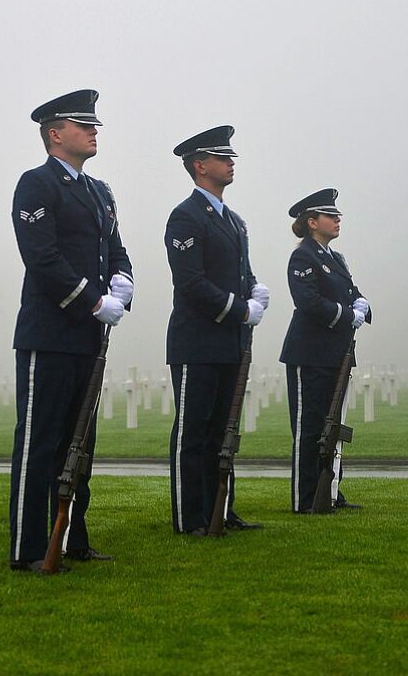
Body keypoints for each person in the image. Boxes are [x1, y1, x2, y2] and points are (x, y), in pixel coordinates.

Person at [8, 89, 134, 571]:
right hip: (50, 333)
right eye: (83, 125)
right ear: (55, 134)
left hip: (88, 335)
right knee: (41, 442)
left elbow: (114, 249)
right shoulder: (36, 184)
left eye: (94, 125)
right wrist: (92, 300)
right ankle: (28, 546)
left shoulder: (99, 190)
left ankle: (72, 538)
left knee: (81, 444)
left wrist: (123, 282)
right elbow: (42, 258)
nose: (93, 130)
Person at [164, 125, 269, 536]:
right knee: (193, 433)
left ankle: (221, 509)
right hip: (198, 341)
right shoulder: (186, 216)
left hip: (229, 342)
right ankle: (190, 517)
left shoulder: (234, 220)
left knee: (222, 431)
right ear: (200, 165)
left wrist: (254, 288)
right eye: (222, 158)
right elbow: (191, 283)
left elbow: (238, 272)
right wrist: (240, 308)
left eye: (231, 158)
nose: (231, 163)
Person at [279, 188, 372, 513]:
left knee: (333, 426)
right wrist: (348, 314)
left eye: (337, 216)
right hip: (310, 353)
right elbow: (308, 302)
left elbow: (351, 292)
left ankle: (331, 492)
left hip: (337, 354)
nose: (337, 220)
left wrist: (362, 303)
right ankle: (305, 499)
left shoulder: (336, 259)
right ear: (312, 221)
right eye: (331, 216)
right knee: (310, 428)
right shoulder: (303, 256)